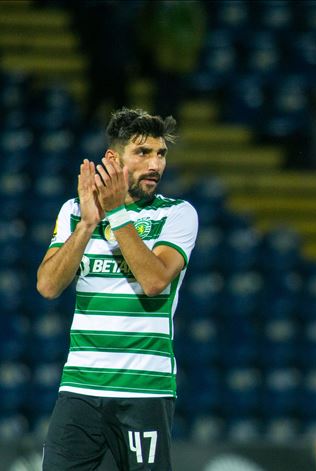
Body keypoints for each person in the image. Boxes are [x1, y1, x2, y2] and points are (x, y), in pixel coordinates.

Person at [36, 108, 198, 470]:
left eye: (161, 154)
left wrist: (116, 215)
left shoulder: (177, 214)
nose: (155, 163)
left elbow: (155, 281)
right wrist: (88, 224)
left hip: (143, 390)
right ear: (113, 158)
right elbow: (47, 285)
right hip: (80, 386)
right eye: (143, 153)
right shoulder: (74, 212)